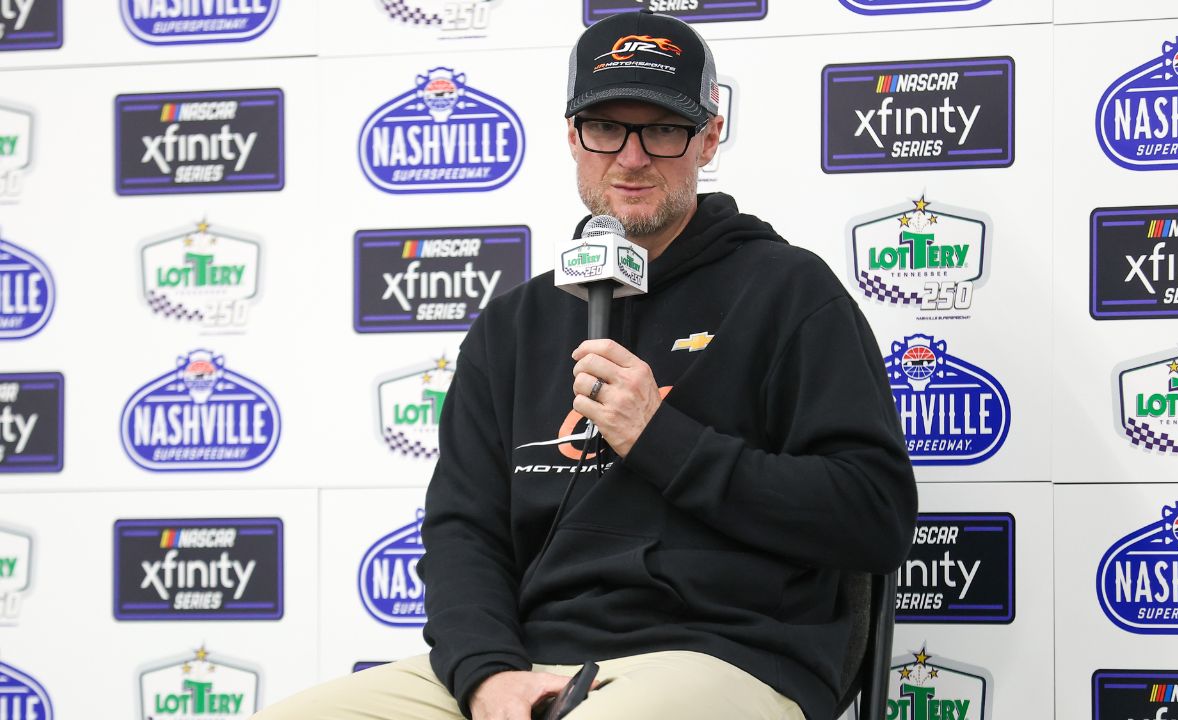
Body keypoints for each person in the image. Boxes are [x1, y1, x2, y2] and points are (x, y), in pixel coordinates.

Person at [254, 10, 915, 720]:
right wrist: (487, 674)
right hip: (535, 657)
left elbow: (873, 516)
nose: (631, 158)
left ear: (709, 137)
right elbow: (463, 533)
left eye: (662, 129)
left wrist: (660, 437)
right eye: (605, 128)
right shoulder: (514, 323)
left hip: (723, 654)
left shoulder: (788, 291)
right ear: (572, 135)